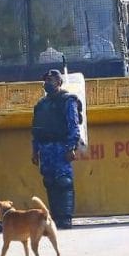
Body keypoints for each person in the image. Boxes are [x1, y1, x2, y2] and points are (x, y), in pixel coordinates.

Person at [31, 69, 82, 229]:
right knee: (49, 181)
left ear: (59, 82)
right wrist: (35, 150)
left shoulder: (68, 100)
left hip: (61, 147)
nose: (47, 83)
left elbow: (73, 125)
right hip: (46, 149)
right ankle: (54, 217)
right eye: (46, 81)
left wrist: (71, 147)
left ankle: (65, 218)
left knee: (64, 181)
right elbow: (36, 129)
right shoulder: (41, 104)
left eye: (51, 80)